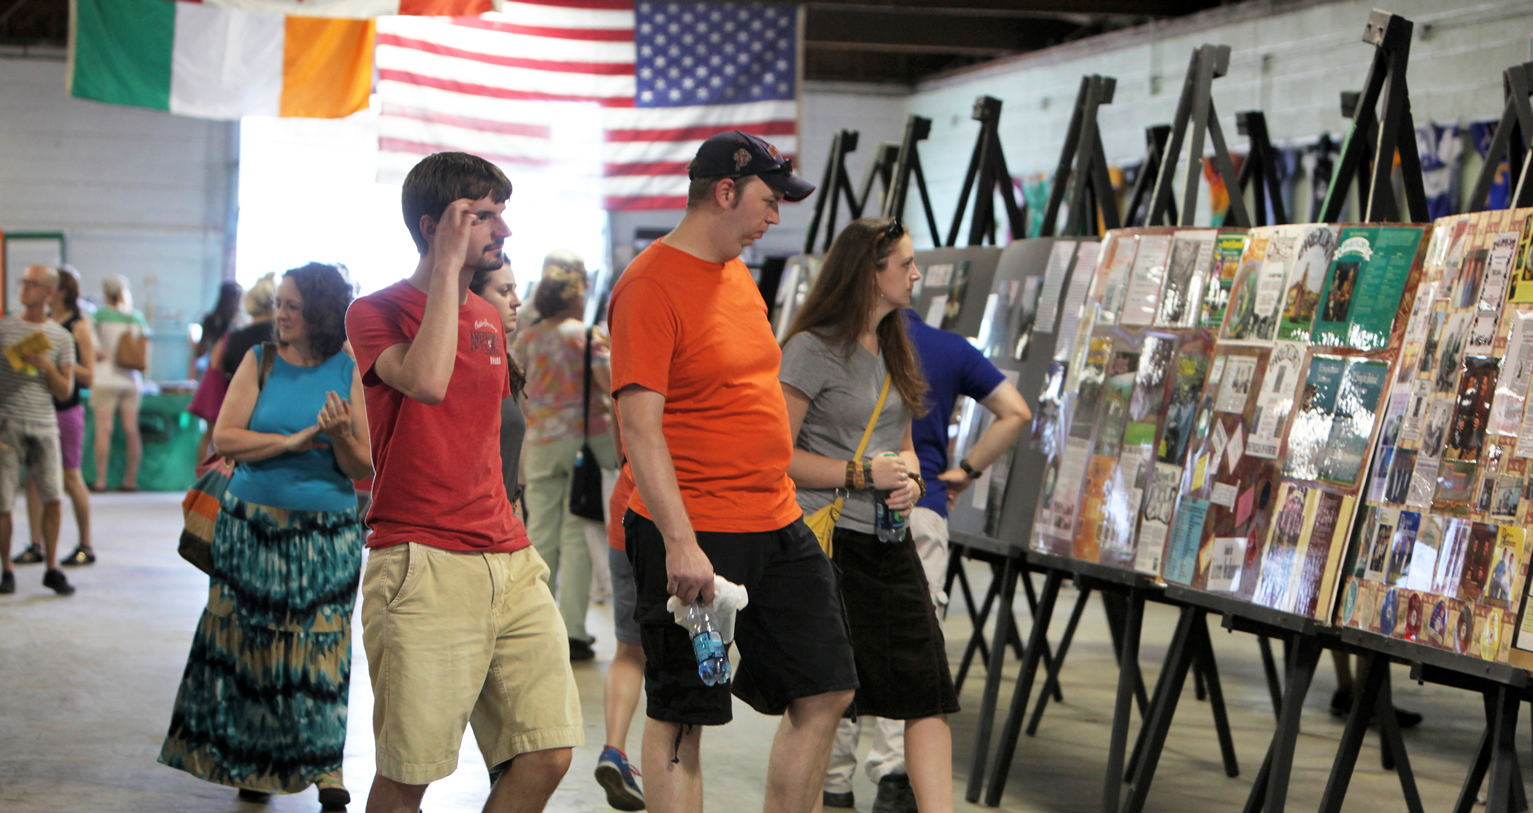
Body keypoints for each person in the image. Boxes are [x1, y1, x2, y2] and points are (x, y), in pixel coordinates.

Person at [608, 130, 856, 813]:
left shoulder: (737, 275)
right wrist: (681, 542)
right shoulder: (649, 285)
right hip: (696, 537)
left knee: (826, 685)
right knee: (688, 711)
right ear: (725, 191)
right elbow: (640, 429)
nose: (774, 216)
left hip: (774, 522)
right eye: (767, 200)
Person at [345, 151, 580, 813]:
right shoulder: (375, 311)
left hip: (508, 555)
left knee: (547, 750)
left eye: (501, 214)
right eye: (483, 215)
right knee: (408, 771)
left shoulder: (486, 318)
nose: (501, 230)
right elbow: (423, 382)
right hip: (420, 560)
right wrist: (446, 267)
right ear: (435, 225)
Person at [159, 262, 371, 806]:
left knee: (322, 649)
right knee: (251, 649)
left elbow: (361, 462)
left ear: (320, 312)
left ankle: (326, 768)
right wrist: (292, 443)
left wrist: (340, 435)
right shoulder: (260, 359)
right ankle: (255, 767)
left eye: (292, 305)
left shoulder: (350, 370)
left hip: (328, 533)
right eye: (278, 302)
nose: (280, 313)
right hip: (251, 526)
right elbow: (227, 436)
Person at [779, 217, 958, 813]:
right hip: (827, 546)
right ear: (868, 273)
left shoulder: (896, 343)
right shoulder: (810, 349)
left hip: (890, 541)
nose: (915, 273)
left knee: (927, 691)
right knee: (825, 699)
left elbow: (902, 443)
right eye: (904, 263)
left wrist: (909, 477)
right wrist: (861, 476)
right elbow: (776, 456)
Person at [823, 303, 1031, 811]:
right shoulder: (950, 348)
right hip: (921, 507)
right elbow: (1016, 412)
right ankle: (895, 776)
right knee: (913, 651)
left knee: (839, 644)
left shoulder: (839, 346)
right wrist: (965, 471)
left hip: (843, 510)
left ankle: (834, 781)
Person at [513, 250, 618, 661]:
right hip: (582, 444)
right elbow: (607, 383)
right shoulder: (587, 336)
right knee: (576, 534)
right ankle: (573, 630)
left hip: (539, 441)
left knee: (540, 530)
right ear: (575, 296)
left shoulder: (528, 338)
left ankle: (534, 625)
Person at [0, 265, 77, 596]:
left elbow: (64, 391)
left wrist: (45, 365)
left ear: (49, 293)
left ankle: (52, 567)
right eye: (23, 281)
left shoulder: (61, 337)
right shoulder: (4, 329)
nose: (24, 288)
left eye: (33, 284)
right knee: (3, 501)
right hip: (7, 423)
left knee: (53, 497)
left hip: (45, 423)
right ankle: (6, 568)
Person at [16, 266, 97, 568]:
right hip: (38, 408)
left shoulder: (78, 327)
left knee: (71, 476)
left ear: (58, 291)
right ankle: (36, 543)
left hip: (66, 410)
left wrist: (59, 364)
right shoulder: (42, 324)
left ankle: (85, 544)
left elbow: (89, 376)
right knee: (34, 480)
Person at [596, 464, 645, 811]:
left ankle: (614, 748)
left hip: (626, 506)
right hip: (682, 517)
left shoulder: (623, 403)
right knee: (681, 667)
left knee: (629, 651)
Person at [471, 258, 529, 521]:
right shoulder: (466, 365)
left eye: (514, 290)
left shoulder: (505, 363)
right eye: (504, 291)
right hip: (477, 525)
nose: (516, 301)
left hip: (503, 518)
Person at [91, 274, 151, 492]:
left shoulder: (97, 316)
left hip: (105, 378)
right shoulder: (137, 318)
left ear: (106, 293)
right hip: (132, 379)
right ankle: (130, 480)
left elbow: (94, 350)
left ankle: (100, 480)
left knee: (103, 429)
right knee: (131, 430)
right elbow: (146, 350)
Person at [187, 280, 245, 460]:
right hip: (230, 379)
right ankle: (222, 476)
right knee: (230, 433)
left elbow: (199, 351)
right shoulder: (238, 323)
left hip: (211, 378)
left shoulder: (209, 319)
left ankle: (201, 477)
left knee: (209, 432)